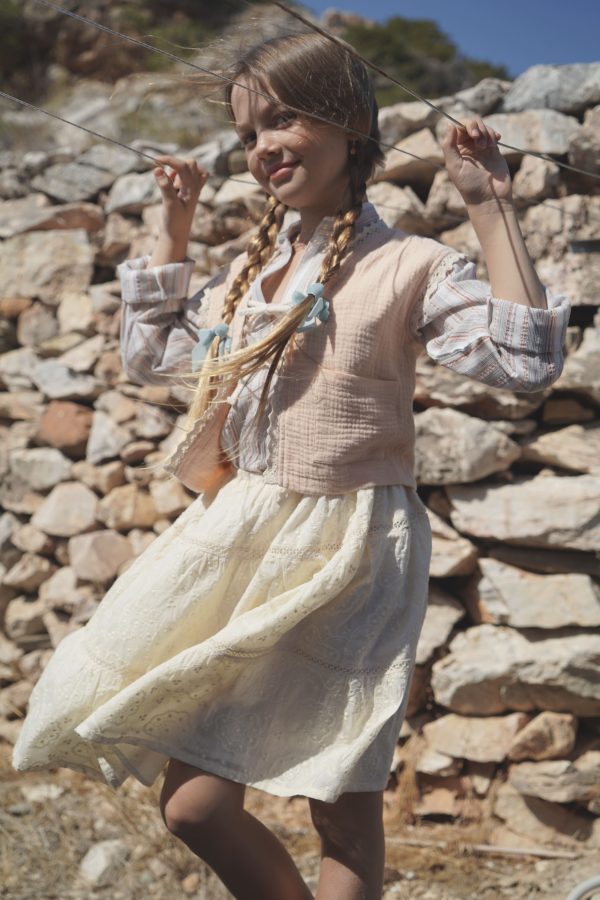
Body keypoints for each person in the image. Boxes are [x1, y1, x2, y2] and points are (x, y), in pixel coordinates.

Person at [12, 30, 570, 900]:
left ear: (350, 122)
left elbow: (525, 362)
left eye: (284, 119)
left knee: (342, 811)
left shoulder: (407, 264)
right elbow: (151, 356)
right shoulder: (254, 273)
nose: (264, 146)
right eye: (247, 135)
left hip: (351, 548)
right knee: (194, 805)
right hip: (243, 538)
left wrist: (489, 206)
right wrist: (174, 224)